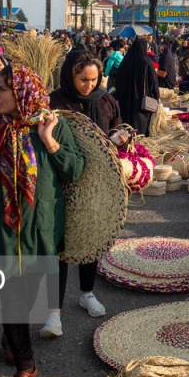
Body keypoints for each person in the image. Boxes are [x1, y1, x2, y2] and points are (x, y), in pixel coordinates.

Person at [0, 63, 85, 377]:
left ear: (22, 92)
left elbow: (75, 170)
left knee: (27, 292)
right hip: (1, 230)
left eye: (2, 90)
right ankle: (27, 367)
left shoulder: (52, 125)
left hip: (42, 228)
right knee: (10, 295)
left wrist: (49, 141)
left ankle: (13, 335)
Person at [42, 50, 121, 337]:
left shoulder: (105, 100)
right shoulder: (54, 102)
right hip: (59, 182)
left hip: (95, 184)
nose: (88, 85)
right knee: (59, 245)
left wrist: (122, 138)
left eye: (94, 79)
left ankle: (86, 293)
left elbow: (119, 129)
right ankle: (54, 312)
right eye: (82, 79)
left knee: (91, 237)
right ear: (70, 75)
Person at [114, 37, 159, 136]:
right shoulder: (146, 62)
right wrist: (157, 96)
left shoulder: (126, 61)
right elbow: (153, 81)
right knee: (141, 123)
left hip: (126, 97)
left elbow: (119, 78)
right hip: (141, 99)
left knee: (126, 119)